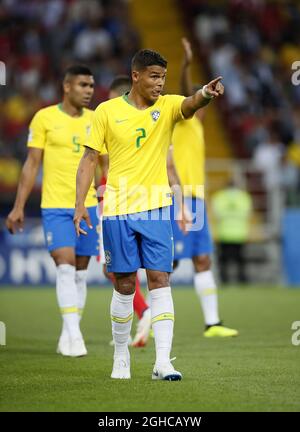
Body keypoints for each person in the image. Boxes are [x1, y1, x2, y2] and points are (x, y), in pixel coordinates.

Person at [74, 49, 224, 381]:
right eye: (154, 77)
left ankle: (163, 362)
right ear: (137, 75)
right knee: (125, 285)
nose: (159, 84)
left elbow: (190, 104)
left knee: (160, 280)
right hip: (116, 210)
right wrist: (79, 203)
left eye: (163, 78)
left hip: (156, 209)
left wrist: (204, 94)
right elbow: (87, 160)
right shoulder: (106, 112)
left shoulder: (168, 105)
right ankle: (121, 356)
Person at [6, 65, 98, 357]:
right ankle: (75, 336)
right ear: (67, 87)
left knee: (81, 273)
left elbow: (104, 163)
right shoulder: (44, 118)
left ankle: (66, 334)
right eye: (83, 85)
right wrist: (18, 206)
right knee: (65, 265)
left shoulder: (97, 120)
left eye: (92, 86)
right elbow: (32, 163)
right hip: (55, 205)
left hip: (89, 206)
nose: (89, 91)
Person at [170, 38, 238, 337]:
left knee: (202, 259)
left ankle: (212, 323)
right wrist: (186, 64)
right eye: (202, 100)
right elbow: (188, 90)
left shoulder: (198, 125)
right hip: (175, 198)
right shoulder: (183, 119)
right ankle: (147, 320)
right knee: (165, 262)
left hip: (196, 200)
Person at [99, 75, 152, 348]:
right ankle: (139, 316)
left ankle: (143, 312)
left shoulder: (113, 122)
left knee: (115, 267)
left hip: (112, 199)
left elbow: (106, 167)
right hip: (138, 198)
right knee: (121, 267)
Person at [211, 179, 253, 284]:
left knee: (224, 260)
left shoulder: (219, 197)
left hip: (224, 233)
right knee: (240, 259)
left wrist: (228, 214)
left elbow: (217, 214)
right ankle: (242, 280)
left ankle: (224, 280)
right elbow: (247, 213)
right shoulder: (244, 197)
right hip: (240, 233)